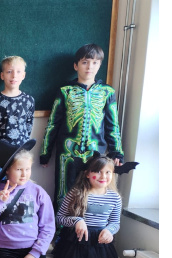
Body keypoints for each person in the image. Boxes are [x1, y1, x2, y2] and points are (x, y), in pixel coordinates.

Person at [39, 43, 124, 209]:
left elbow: (112, 125)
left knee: (92, 193)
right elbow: (53, 124)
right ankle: (61, 225)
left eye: (94, 62)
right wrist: (45, 153)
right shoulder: (65, 91)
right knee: (64, 193)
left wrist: (117, 152)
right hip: (68, 153)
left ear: (100, 65)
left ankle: (88, 225)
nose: (89, 67)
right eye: (85, 62)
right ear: (76, 66)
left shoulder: (107, 92)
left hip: (96, 153)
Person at [0, 55, 35, 185]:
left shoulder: (28, 101)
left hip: (19, 155)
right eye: (9, 71)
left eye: (18, 72)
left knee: (17, 188)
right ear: (2, 75)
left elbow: (29, 125)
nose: (14, 76)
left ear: (23, 75)